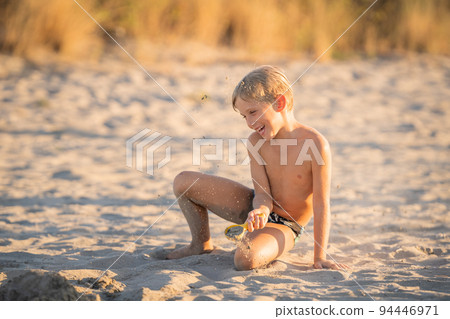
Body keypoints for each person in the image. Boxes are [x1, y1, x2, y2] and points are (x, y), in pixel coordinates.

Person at [167, 65, 348, 271]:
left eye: (253, 112)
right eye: (244, 116)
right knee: (183, 181)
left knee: (245, 259)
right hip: (256, 206)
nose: (250, 123)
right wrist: (261, 209)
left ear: (280, 102)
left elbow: (322, 204)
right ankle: (200, 244)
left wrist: (320, 257)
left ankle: (258, 239)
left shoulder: (315, 144)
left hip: (286, 225)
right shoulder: (256, 142)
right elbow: (262, 193)